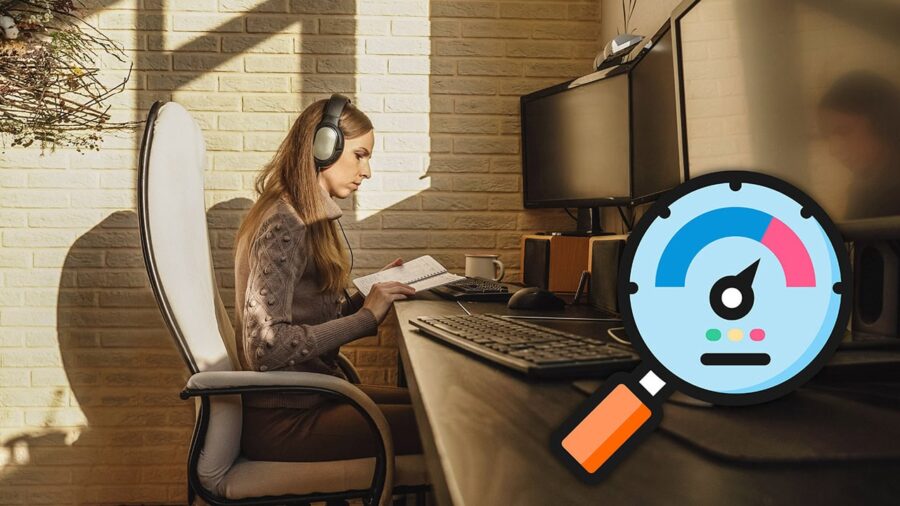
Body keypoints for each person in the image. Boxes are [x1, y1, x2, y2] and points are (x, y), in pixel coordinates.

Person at [233, 94, 423, 462]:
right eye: (360, 155)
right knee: (450, 425)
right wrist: (366, 317)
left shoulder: (299, 215)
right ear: (324, 148)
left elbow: (305, 316)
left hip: (310, 399)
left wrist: (369, 295)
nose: (366, 172)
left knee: (435, 407)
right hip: (287, 421)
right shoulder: (284, 222)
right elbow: (266, 348)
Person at [817, 71, 900, 220]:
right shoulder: (864, 191)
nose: (833, 150)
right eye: (826, 136)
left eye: (844, 131)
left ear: (883, 124)